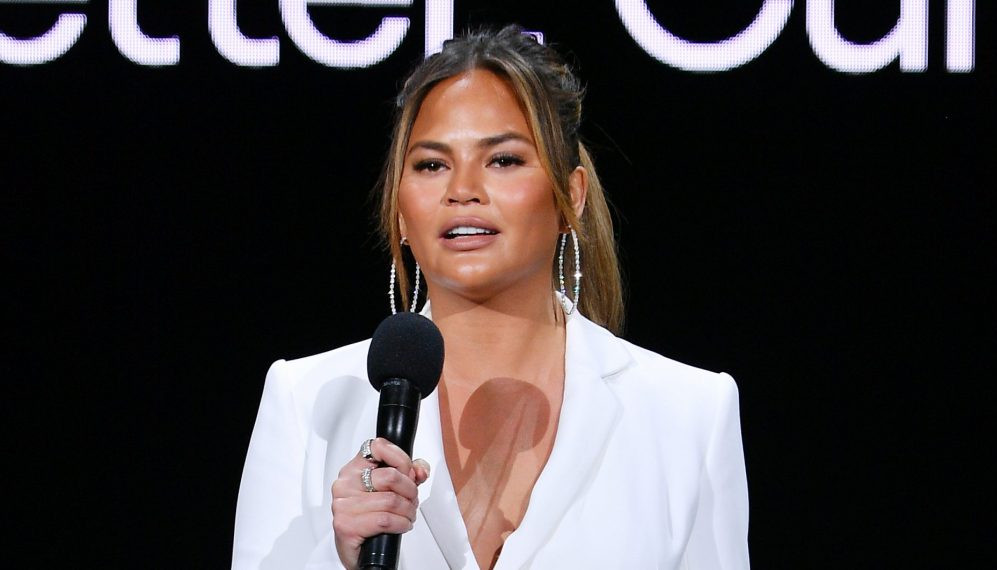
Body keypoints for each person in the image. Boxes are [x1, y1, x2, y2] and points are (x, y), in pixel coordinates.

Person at [232, 26, 749, 570]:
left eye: (503, 160)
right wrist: (339, 557)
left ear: (570, 195)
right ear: (401, 211)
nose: (462, 190)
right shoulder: (305, 401)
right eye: (432, 165)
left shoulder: (689, 413)